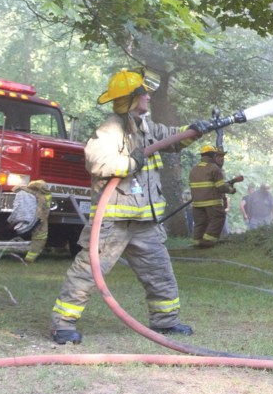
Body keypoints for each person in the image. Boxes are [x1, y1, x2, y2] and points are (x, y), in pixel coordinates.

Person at [50, 68, 208, 345]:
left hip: (144, 222)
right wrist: (132, 163)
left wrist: (195, 131)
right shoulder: (110, 129)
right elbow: (97, 162)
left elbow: (171, 137)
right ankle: (63, 324)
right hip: (114, 221)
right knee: (88, 272)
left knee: (160, 273)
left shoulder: (147, 127)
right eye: (143, 92)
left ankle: (165, 321)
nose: (148, 95)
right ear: (132, 99)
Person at [189, 144, 242, 248]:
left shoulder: (194, 169)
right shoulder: (214, 168)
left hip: (196, 203)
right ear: (213, 156)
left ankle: (197, 242)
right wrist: (231, 190)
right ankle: (208, 242)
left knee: (200, 222)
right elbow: (221, 187)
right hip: (212, 202)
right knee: (218, 218)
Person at [9, 179, 51, 263]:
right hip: (40, 221)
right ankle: (30, 259)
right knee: (39, 240)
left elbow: (17, 189)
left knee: (39, 238)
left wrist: (19, 187)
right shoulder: (45, 195)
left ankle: (29, 259)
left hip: (37, 219)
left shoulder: (36, 193)